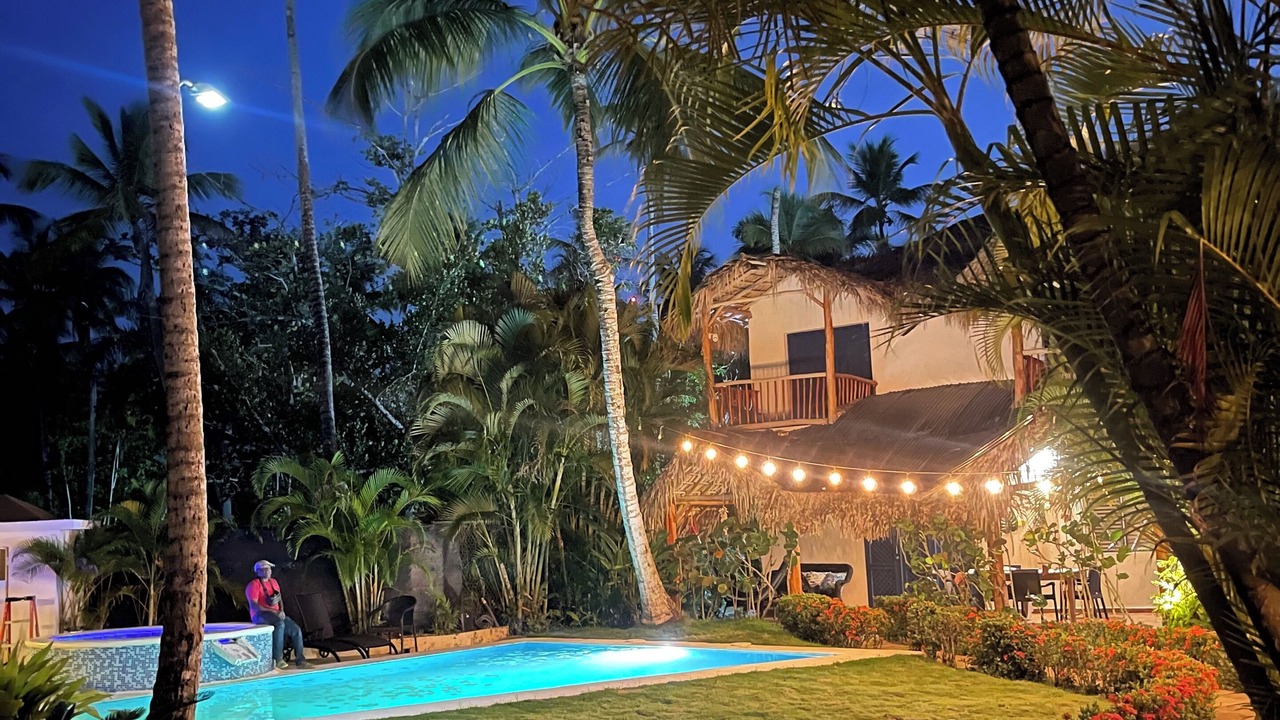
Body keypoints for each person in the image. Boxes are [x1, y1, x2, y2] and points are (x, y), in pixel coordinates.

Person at [246, 560, 310, 670]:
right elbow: (254, 605)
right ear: (258, 572)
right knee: (279, 623)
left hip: (276, 614)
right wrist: (275, 612)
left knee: (295, 630)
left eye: (269, 569)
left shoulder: (274, 582)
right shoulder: (254, 585)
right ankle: (278, 659)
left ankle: (301, 660)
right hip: (260, 614)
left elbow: (279, 599)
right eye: (264, 569)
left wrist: (282, 611)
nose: (267, 571)